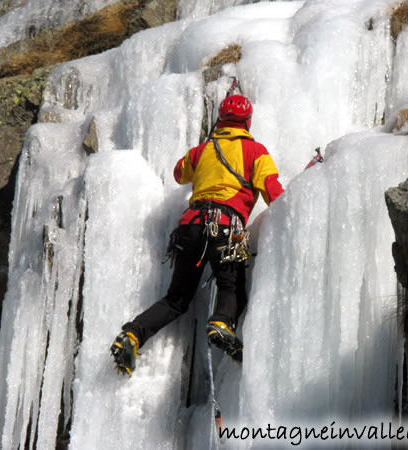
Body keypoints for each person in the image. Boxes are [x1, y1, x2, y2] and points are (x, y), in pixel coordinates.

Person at [110, 94, 284, 374]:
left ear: (221, 119)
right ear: (248, 122)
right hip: (226, 227)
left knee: (176, 299)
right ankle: (222, 323)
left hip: (190, 226)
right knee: (232, 287)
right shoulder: (256, 152)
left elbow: (180, 173)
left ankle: (132, 335)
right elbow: (274, 192)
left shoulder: (202, 150)